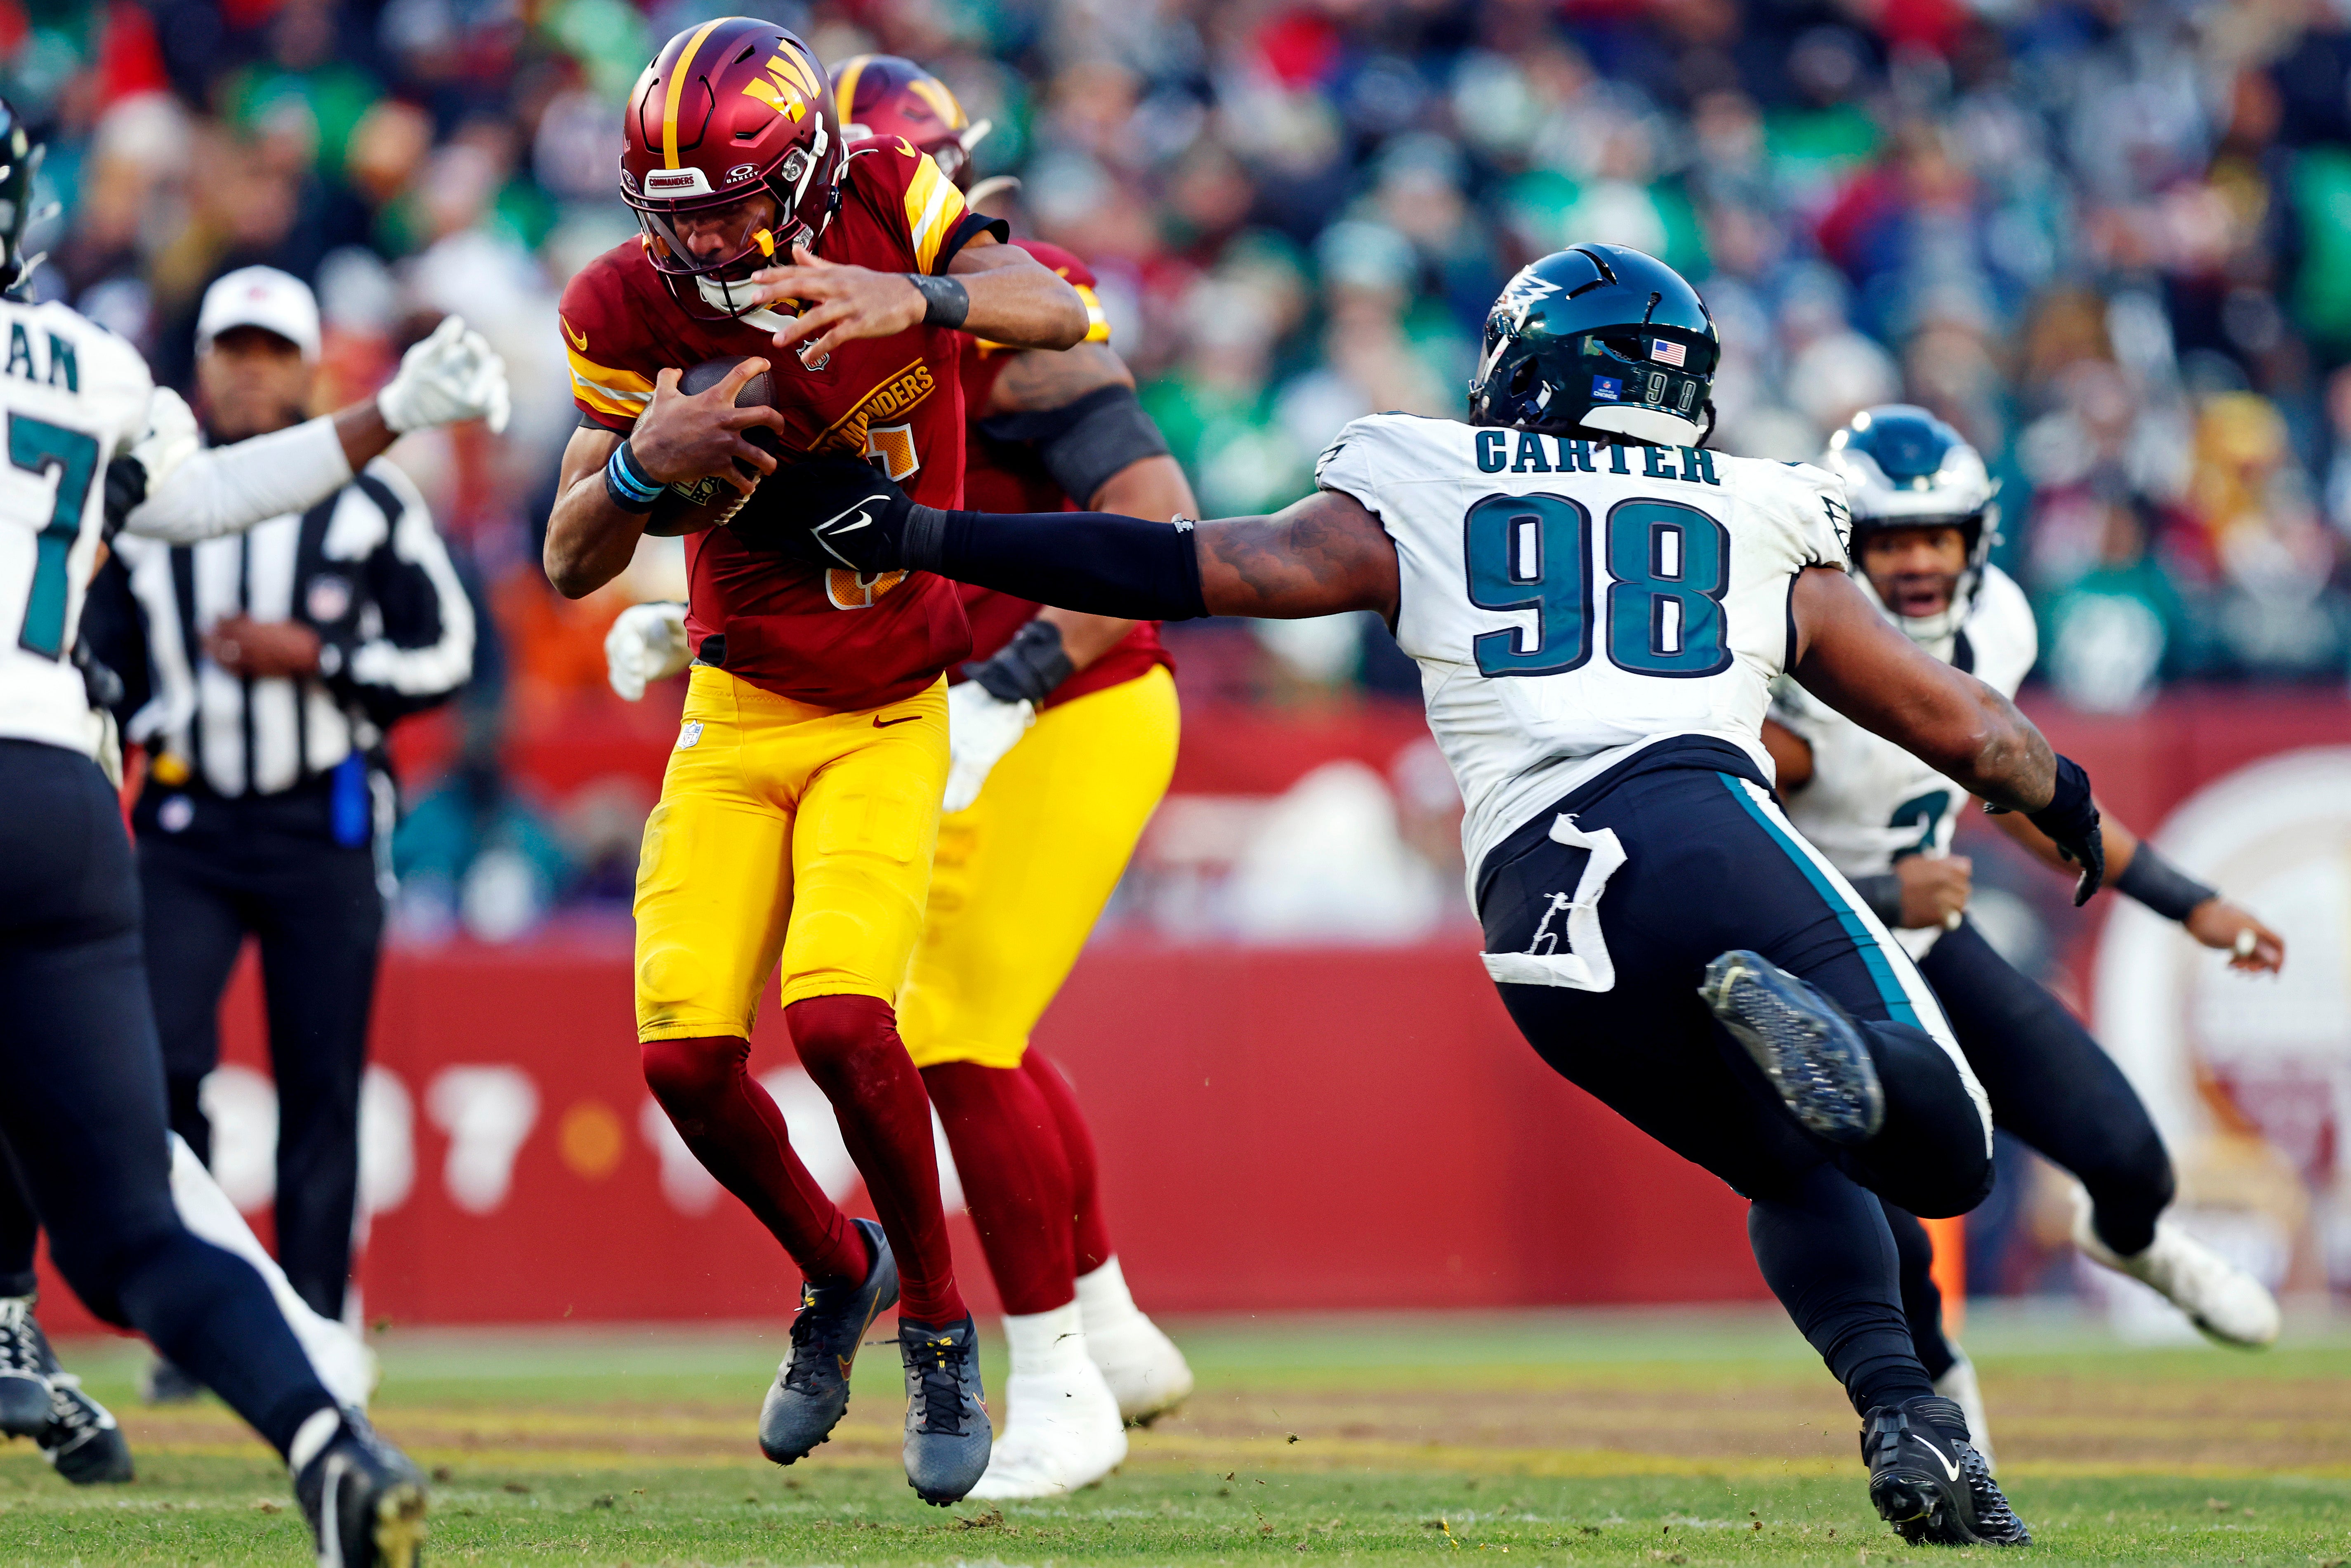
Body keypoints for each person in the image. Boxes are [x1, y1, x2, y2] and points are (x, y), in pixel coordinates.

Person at [730, 243, 2120, 1547]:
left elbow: (1190, 567)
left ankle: (1909, 1418)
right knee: (1948, 1151)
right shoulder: (1754, 507)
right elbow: (1969, 729)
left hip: (1536, 922)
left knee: (1784, 1162)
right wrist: (2064, 804)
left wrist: (913, 528)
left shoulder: (1431, 476)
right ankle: (1862, 1081)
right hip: (1699, 824)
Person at [603, 53, 1195, 1501]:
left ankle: (1056, 1375)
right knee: (963, 1025)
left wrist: (1019, 680)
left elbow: (1158, 524)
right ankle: (1107, 1329)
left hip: (1072, 698)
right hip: (927, 695)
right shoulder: (758, 319)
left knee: (949, 1029)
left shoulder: (999, 315)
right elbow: (811, 540)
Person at [0, 99, 456, 1564]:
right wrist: (387, 417)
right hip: (67, 801)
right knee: (132, 1217)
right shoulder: (93, 363)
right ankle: (328, 1444)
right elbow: (204, 500)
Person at [1763, 404, 2285, 1465]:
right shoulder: (1789, 655)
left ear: (1975, 541)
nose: (1916, 562)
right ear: (1844, 547)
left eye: (1936, 537)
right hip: (1812, 958)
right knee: (1885, 1224)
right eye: (1892, 540)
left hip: (1927, 937)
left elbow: (2028, 805)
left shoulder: (1997, 623)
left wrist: (2192, 901)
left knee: (2131, 1157)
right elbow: (1728, 835)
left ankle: (2128, 1238)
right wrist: (1876, 886)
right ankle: (1942, 1385)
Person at [86, 269, 475, 1408]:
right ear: (201, 365)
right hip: (187, 819)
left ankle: (310, 1327)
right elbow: (88, 642)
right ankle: (199, 1312)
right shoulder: (151, 496)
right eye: (231, 349)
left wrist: (322, 660)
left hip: (324, 818)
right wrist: (139, 711)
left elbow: (449, 654)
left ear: (310, 366)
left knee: (321, 1089)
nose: (251, 369)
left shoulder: (373, 502)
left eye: (271, 350)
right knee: (157, 1062)